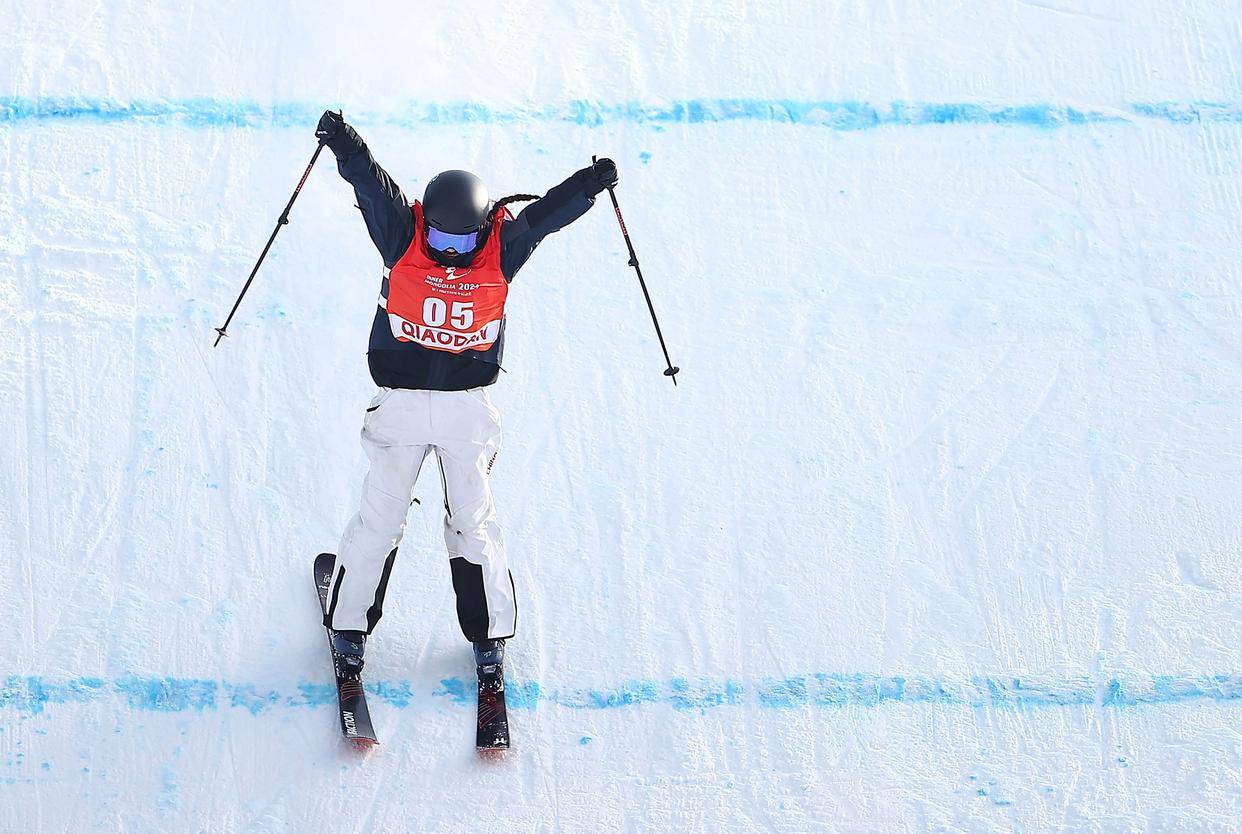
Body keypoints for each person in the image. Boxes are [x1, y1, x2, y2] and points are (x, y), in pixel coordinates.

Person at [313, 110, 617, 687]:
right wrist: (346, 142)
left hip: (449, 410)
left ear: (482, 228)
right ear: (426, 223)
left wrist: (589, 182)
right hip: (418, 408)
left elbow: (547, 213)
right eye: (441, 238)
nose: (451, 251)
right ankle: (355, 631)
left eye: (462, 239)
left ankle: (479, 638)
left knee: (464, 523)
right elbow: (369, 179)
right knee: (398, 519)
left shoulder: (425, 237)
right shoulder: (438, 238)